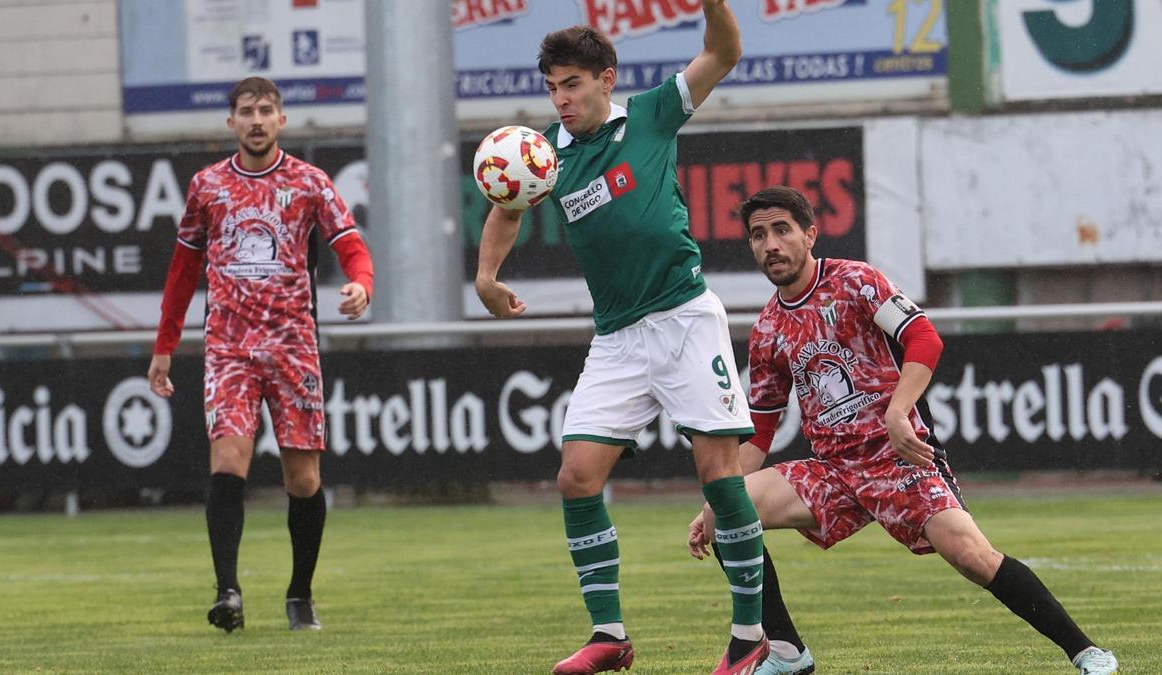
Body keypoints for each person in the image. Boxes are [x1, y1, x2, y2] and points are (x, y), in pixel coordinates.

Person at [687, 186, 1120, 675]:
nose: (770, 244)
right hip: (833, 470)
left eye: (782, 230)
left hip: (899, 458)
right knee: (732, 516)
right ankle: (788, 653)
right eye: (758, 235)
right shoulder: (768, 328)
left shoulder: (855, 281)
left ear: (809, 234)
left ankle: (1087, 652)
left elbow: (923, 337)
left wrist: (898, 412)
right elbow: (762, 429)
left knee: (972, 556)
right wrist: (720, 499)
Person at [475, 5, 772, 673]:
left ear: (605, 79)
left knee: (720, 476)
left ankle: (749, 634)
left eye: (573, 83)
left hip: (685, 319)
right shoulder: (545, 155)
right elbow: (506, 207)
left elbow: (722, 53)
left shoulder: (650, 114)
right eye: (553, 86)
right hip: (617, 338)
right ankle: (609, 634)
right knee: (576, 476)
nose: (562, 98)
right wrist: (487, 276)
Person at [147, 76, 374, 633]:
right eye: (246, 111)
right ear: (231, 122)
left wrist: (361, 283)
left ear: (281, 120)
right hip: (229, 347)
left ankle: (300, 594)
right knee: (228, 464)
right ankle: (228, 592)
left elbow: (350, 242)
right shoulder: (207, 187)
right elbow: (182, 272)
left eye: (266, 110)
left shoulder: (309, 183)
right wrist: (164, 347)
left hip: (293, 346)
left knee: (302, 479)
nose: (255, 119)